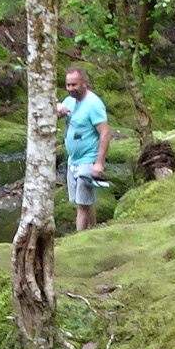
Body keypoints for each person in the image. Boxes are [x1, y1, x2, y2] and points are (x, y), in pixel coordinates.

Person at [58, 65, 111, 230]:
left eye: (74, 84)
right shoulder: (69, 100)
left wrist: (99, 163)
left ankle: (78, 238)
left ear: (84, 83)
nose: (70, 88)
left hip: (88, 159)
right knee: (85, 203)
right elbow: (53, 116)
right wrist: (57, 106)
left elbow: (105, 133)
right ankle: (93, 230)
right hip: (73, 160)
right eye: (68, 85)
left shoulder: (93, 104)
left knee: (82, 206)